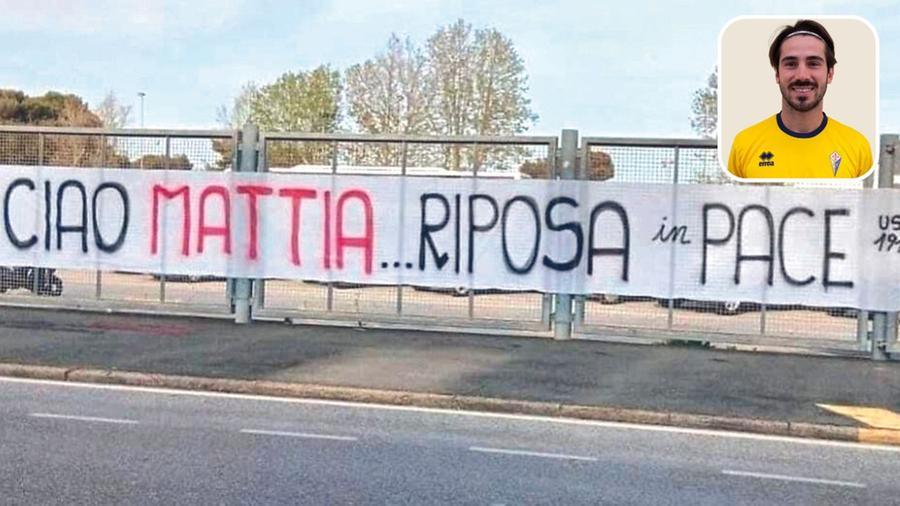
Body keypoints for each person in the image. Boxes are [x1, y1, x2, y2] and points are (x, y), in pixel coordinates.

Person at [727, 19, 872, 179]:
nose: (802, 75)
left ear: (830, 74)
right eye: (791, 64)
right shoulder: (744, 144)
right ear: (777, 74)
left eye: (813, 63)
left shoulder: (857, 147)